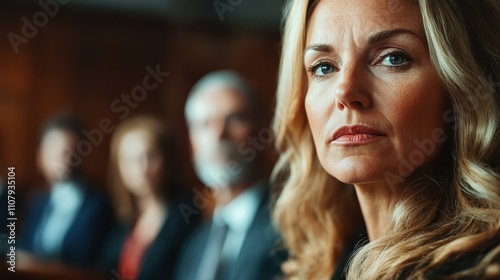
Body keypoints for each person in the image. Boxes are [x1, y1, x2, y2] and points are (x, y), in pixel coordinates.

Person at [272, 0, 500, 279]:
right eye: (323, 67)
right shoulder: (327, 261)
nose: (344, 91)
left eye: (393, 58)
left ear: (462, 85)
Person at [174, 71, 285, 280]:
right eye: (204, 124)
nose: (218, 135)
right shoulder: (192, 244)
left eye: (235, 119)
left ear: (262, 129)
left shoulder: (290, 227)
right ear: (191, 142)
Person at [100, 115, 198, 280]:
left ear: (168, 160)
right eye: (130, 160)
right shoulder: (122, 218)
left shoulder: (187, 215)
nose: (142, 169)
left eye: (151, 156)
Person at [21, 114, 114, 268]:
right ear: (40, 156)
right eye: (54, 152)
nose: (63, 160)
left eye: (69, 152)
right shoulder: (37, 203)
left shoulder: (101, 206)